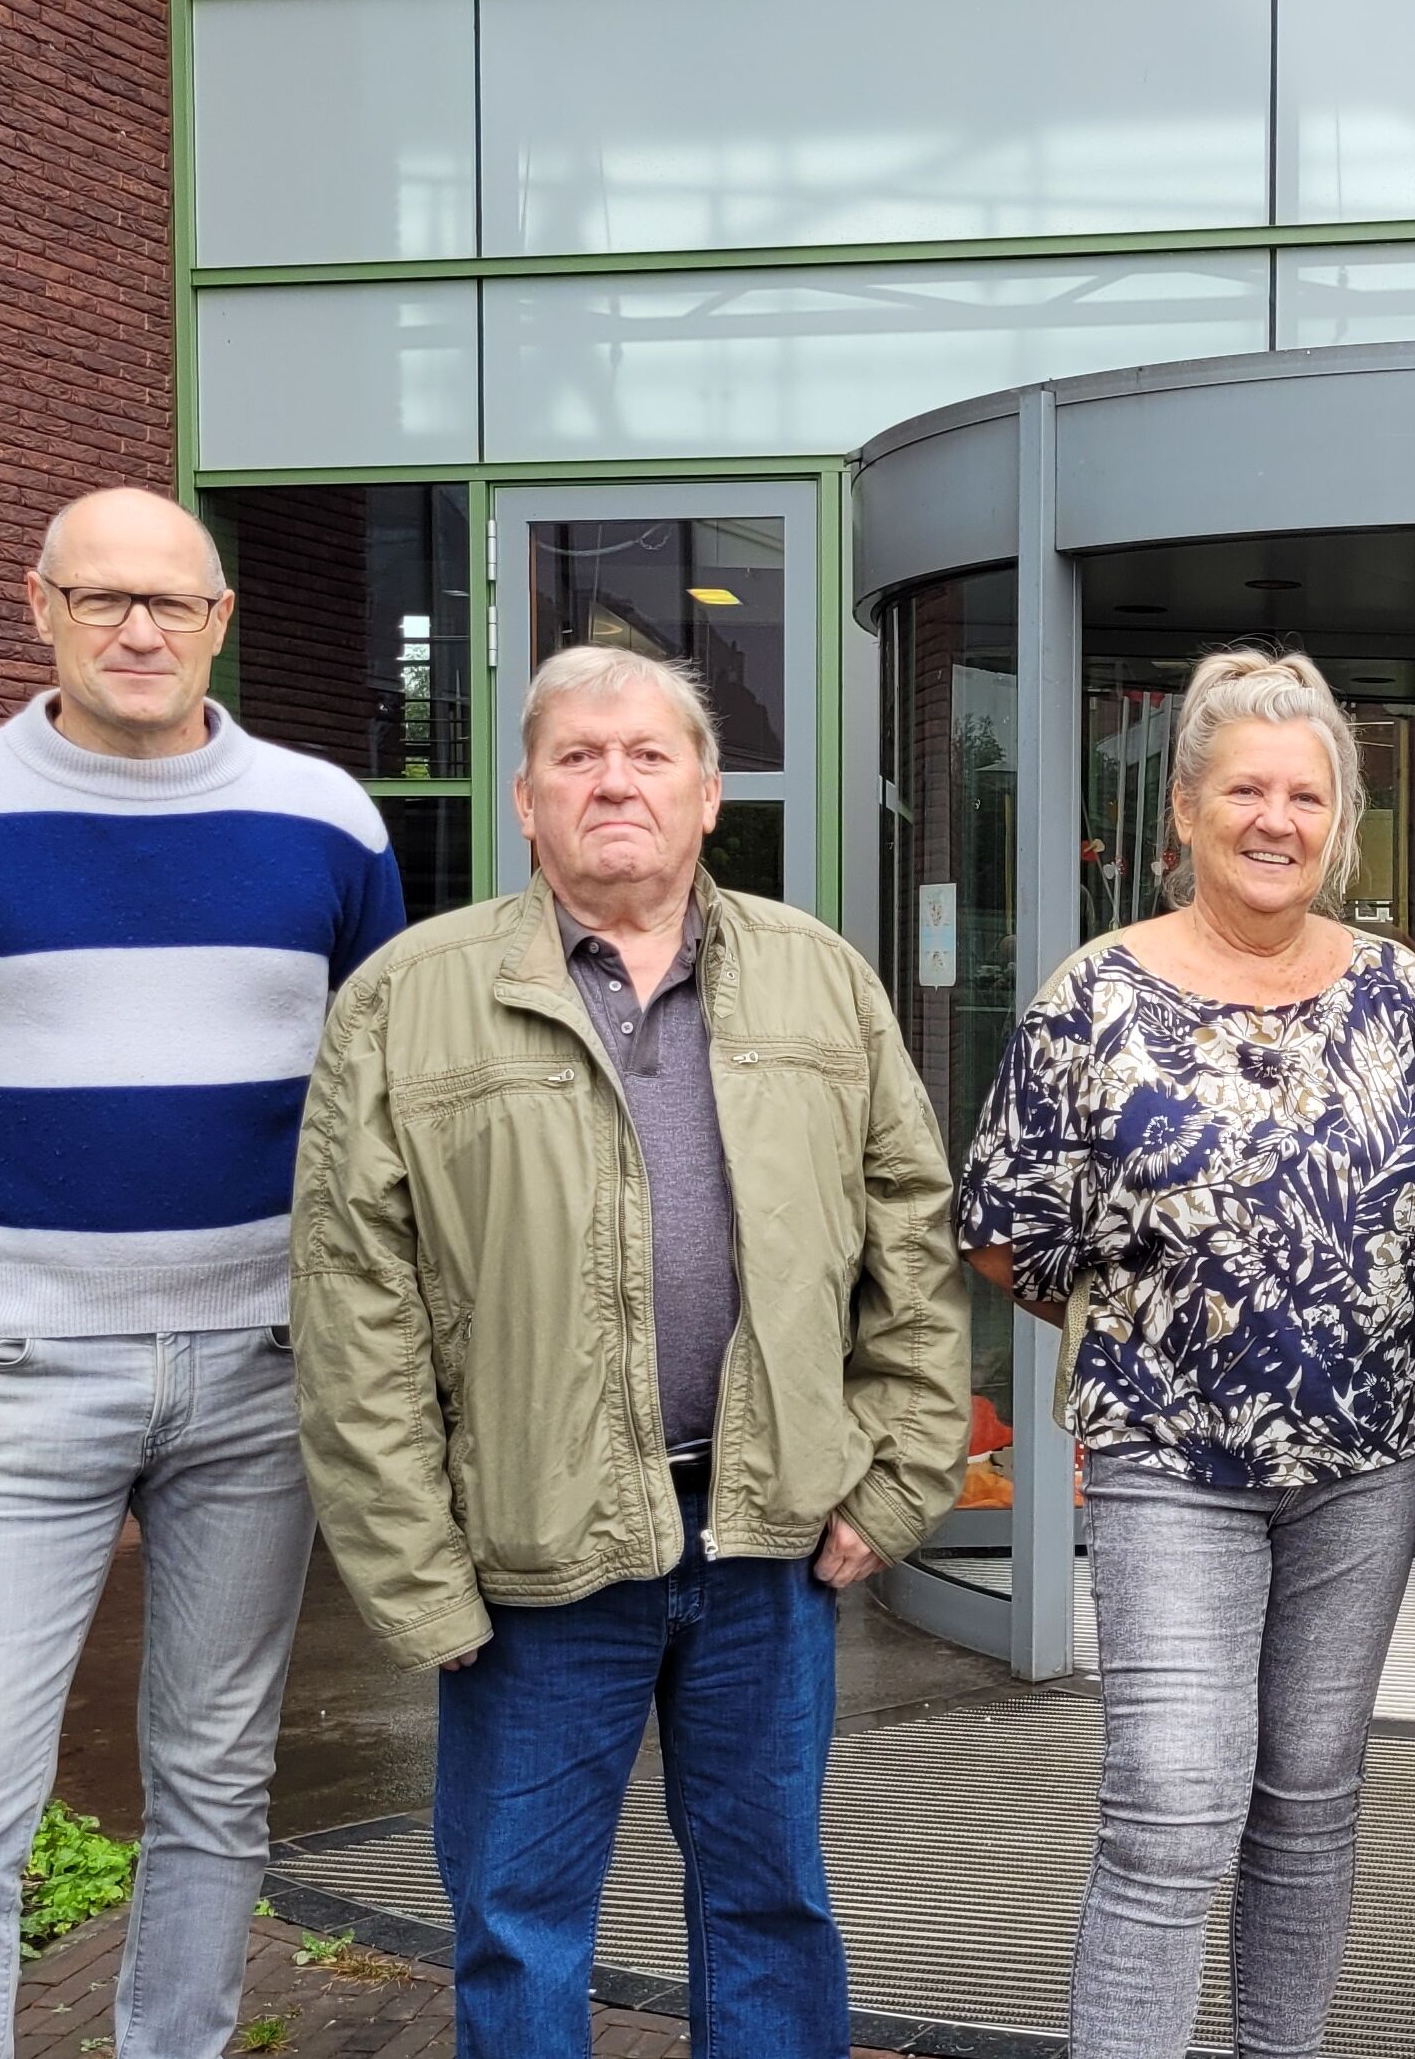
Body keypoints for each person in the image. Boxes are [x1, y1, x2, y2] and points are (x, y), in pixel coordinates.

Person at [290, 644, 968, 2059]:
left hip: (767, 1539)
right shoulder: (409, 999)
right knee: (518, 1919)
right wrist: (416, 1574)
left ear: (708, 794)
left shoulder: (819, 981)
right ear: (526, 799)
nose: (615, 782)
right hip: (532, 1551)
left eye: (649, 755)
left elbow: (911, 1236)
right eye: (578, 757)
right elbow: (355, 1310)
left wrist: (900, 1470)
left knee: (771, 1903)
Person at [0, 487, 405, 2059]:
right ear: (39, 606)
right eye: (101, 597)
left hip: (261, 1375)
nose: (139, 628)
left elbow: (380, 1100)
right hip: (25, 1378)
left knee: (215, 1782)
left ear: (219, 621)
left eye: (171, 601)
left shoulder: (328, 821)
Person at [954, 648, 1415, 2059]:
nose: (1275, 818)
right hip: (1168, 1460)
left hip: (1371, 1462)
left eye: (1306, 794)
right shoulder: (1093, 996)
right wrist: (1156, 1324)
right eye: (1244, 789)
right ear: (1183, 809)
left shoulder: (1407, 994)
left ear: (1338, 821)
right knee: (1170, 1804)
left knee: (1310, 1793)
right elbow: (1001, 1229)